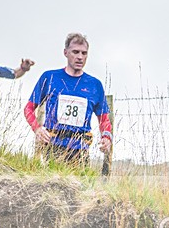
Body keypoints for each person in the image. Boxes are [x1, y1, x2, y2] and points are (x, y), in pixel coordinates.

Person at [24, 33, 112, 166]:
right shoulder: (50, 77)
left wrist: (106, 137)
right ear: (65, 52)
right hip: (53, 147)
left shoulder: (95, 85)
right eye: (75, 52)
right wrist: (37, 129)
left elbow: (104, 119)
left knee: (79, 186)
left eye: (84, 53)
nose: (80, 57)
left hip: (81, 150)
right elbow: (28, 108)